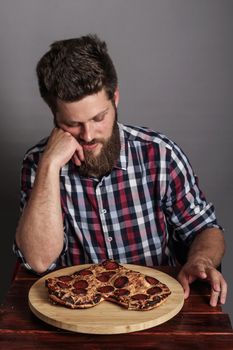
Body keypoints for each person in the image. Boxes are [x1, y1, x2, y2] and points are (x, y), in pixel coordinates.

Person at [14, 34, 227, 307]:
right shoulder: (38, 165)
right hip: (79, 315)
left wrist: (201, 259)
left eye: (98, 118)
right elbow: (39, 261)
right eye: (72, 124)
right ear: (55, 117)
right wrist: (49, 166)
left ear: (115, 98)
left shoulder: (159, 154)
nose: (88, 135)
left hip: (157, 307)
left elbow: (205, 229)